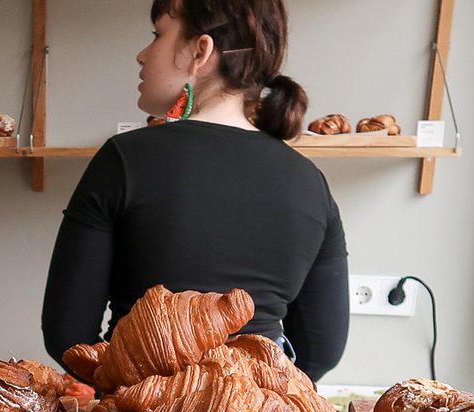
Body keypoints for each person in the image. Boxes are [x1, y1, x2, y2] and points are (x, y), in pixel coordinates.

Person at [41, 0, 349, 382]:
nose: (142, 54)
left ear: (201, 51)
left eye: (157, 35)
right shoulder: (309, 181)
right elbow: (321, 351)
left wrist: (142, 388)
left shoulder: (124, 159)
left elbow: (69, 337)